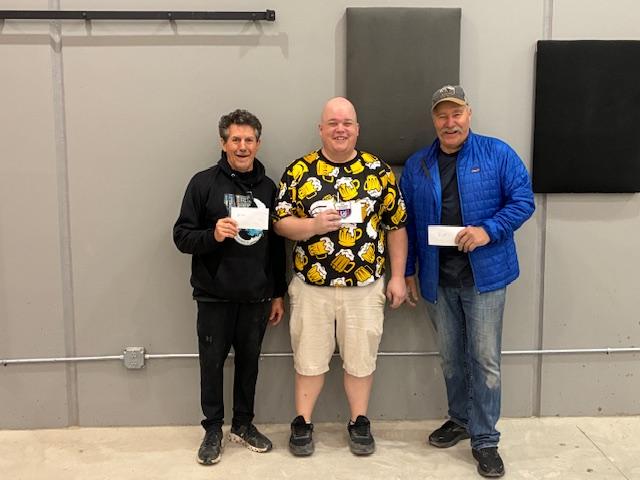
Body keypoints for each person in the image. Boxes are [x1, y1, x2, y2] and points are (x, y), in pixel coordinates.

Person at [401, 85, 535, 478]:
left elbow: (523, 201)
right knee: (450, 358)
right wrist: (408, 270)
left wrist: (487, 230)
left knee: (485, 360)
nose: (450, 122)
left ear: (469, 114)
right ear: (434, 120)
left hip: (485, 277)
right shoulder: (418, 165)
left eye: (456, 114)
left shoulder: (498, 153)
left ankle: (486, 439)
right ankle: (460, 419)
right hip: (437, 278)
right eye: (442, 115)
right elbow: (406, 223)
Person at [273, 97, 408, 457]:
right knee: (308, 358)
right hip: (311, 287)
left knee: (362, 359)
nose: (340, 129)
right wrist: (313, 226)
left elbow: (396, 225)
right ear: (321, 129)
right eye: (332, 123)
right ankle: (302, 422)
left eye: (347, 123)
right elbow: (281, 223)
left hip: (365, 288)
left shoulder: (378, 171)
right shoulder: (299, 171)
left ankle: (359, 421)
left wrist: (397, 277)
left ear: (357, 129)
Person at [173, 109, 286, 465]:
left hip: (256, 296)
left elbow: (276, 247)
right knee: (211, 364)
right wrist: (213, 235)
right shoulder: (203, 184)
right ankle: (212, 430)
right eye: (235, 139)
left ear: (258, 144)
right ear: (223, 143)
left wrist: (277, 293)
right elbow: (181, 236)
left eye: (248, 139)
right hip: (214, 296)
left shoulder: (269, 188)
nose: (242, 146)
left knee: (249, 364)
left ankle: (243, 425)